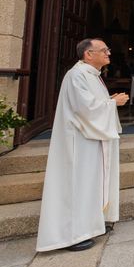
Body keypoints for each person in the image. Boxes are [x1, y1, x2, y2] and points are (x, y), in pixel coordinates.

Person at [36, 38, 129, 252]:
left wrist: (109, 101)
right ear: (88, 54)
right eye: (104, 50)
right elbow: (84, 108)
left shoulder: (92, 75)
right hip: (78, 141)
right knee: (78, 185)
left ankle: (91, 225)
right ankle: (73, 235)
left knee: (89, 184)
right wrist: (112, 103)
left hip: (90, 139)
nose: (108, 53)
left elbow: (92, 104)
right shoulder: (77, 75)